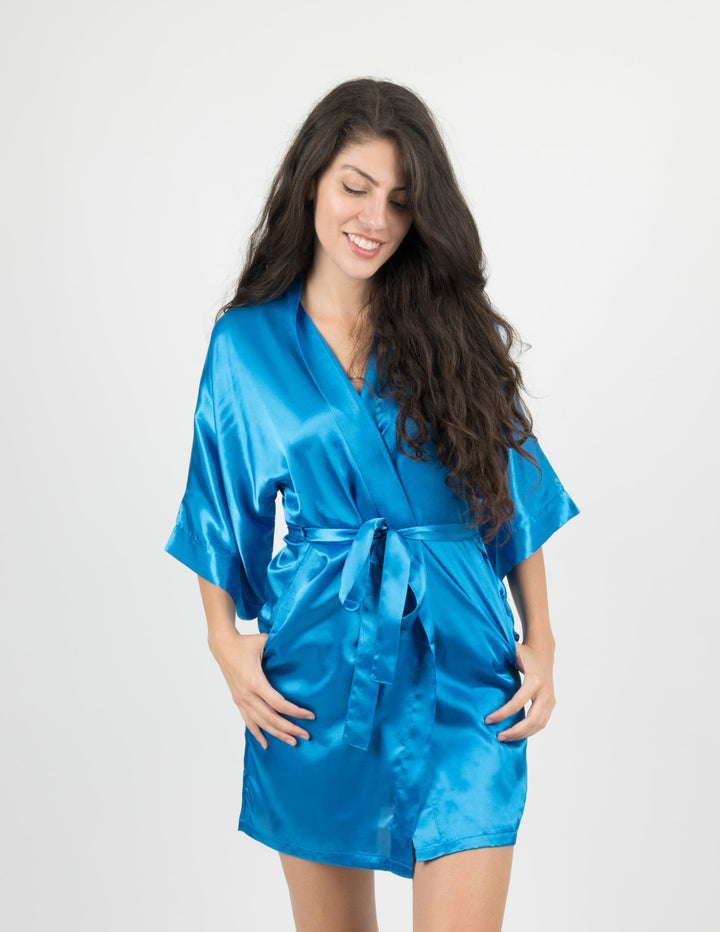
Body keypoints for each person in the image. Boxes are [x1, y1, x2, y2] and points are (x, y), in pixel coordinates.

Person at [164, 77, 580, 932]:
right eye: (356, 187)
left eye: (399, 200)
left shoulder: (454, 325)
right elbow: (217, 503)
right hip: (319, 662)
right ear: (311, 180)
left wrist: (541, 638)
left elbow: (511, 492)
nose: (375, 218)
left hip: (464, 660)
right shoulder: (245, 343)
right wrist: (224, 643)